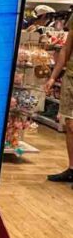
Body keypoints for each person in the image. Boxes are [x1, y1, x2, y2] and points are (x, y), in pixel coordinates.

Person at [46, 22, 73, 185]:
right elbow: (66, 48)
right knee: (70, 125)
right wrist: (53, 77)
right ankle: (71, 169)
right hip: (71, 77)